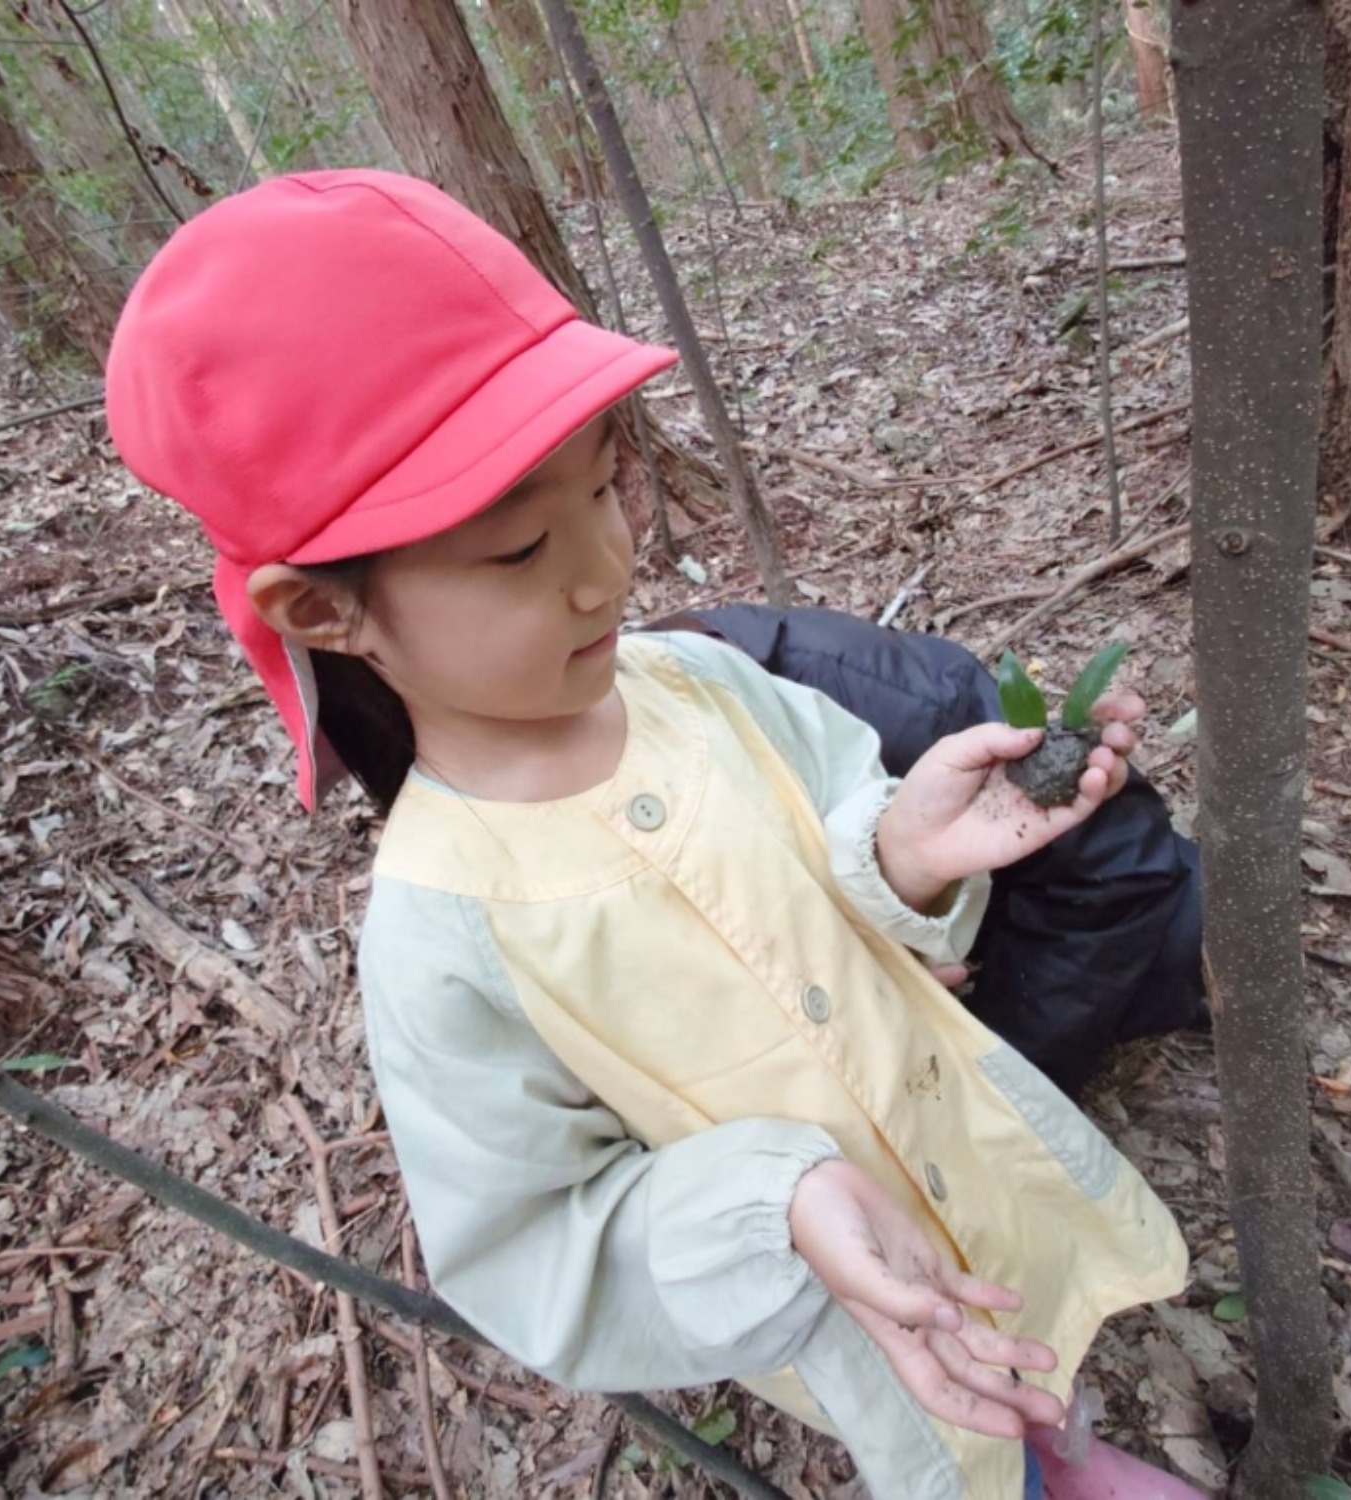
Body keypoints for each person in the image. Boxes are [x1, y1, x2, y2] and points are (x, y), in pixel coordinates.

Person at [105, 170, 1203, 1500]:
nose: (606, 565)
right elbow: (536, 1239)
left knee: (1028, 1330)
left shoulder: (702, 690)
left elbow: (833, 851)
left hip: (967, 1155)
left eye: (604, 487)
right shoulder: (447, 927)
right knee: (954, 1429)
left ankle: (1062, 1440)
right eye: (519, 551)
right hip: (847, 1301)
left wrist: (904, 857)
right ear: (326, 613)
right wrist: (780, 1205)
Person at [645, 607, 1209, 1097]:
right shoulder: (610, 797)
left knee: (1189, 942)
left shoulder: (902, 704)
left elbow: (1119, 864)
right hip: (919, 932)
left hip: (1092, 903)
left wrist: (1004, 1078)